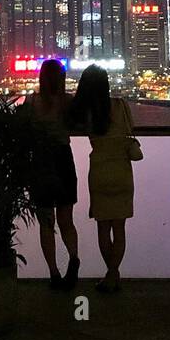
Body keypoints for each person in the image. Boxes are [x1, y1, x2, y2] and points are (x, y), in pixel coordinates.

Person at [69, 65, 141, 294]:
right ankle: (113, 274)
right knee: (120, 228)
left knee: (103, 228)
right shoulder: (121, 105)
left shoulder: (87, 111)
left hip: (99, 171)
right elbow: (132, 129)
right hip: (122, 169)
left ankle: (111, 274)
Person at [22, 59, 80, 290]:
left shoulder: (32, 102)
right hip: (63, 159)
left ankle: (54, 273)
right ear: (61, 78)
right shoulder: (68, 102)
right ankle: (74, 258)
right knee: (67, 219)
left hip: (40, 161)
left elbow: (23, 130)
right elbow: (79, 124)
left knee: (47, 222)